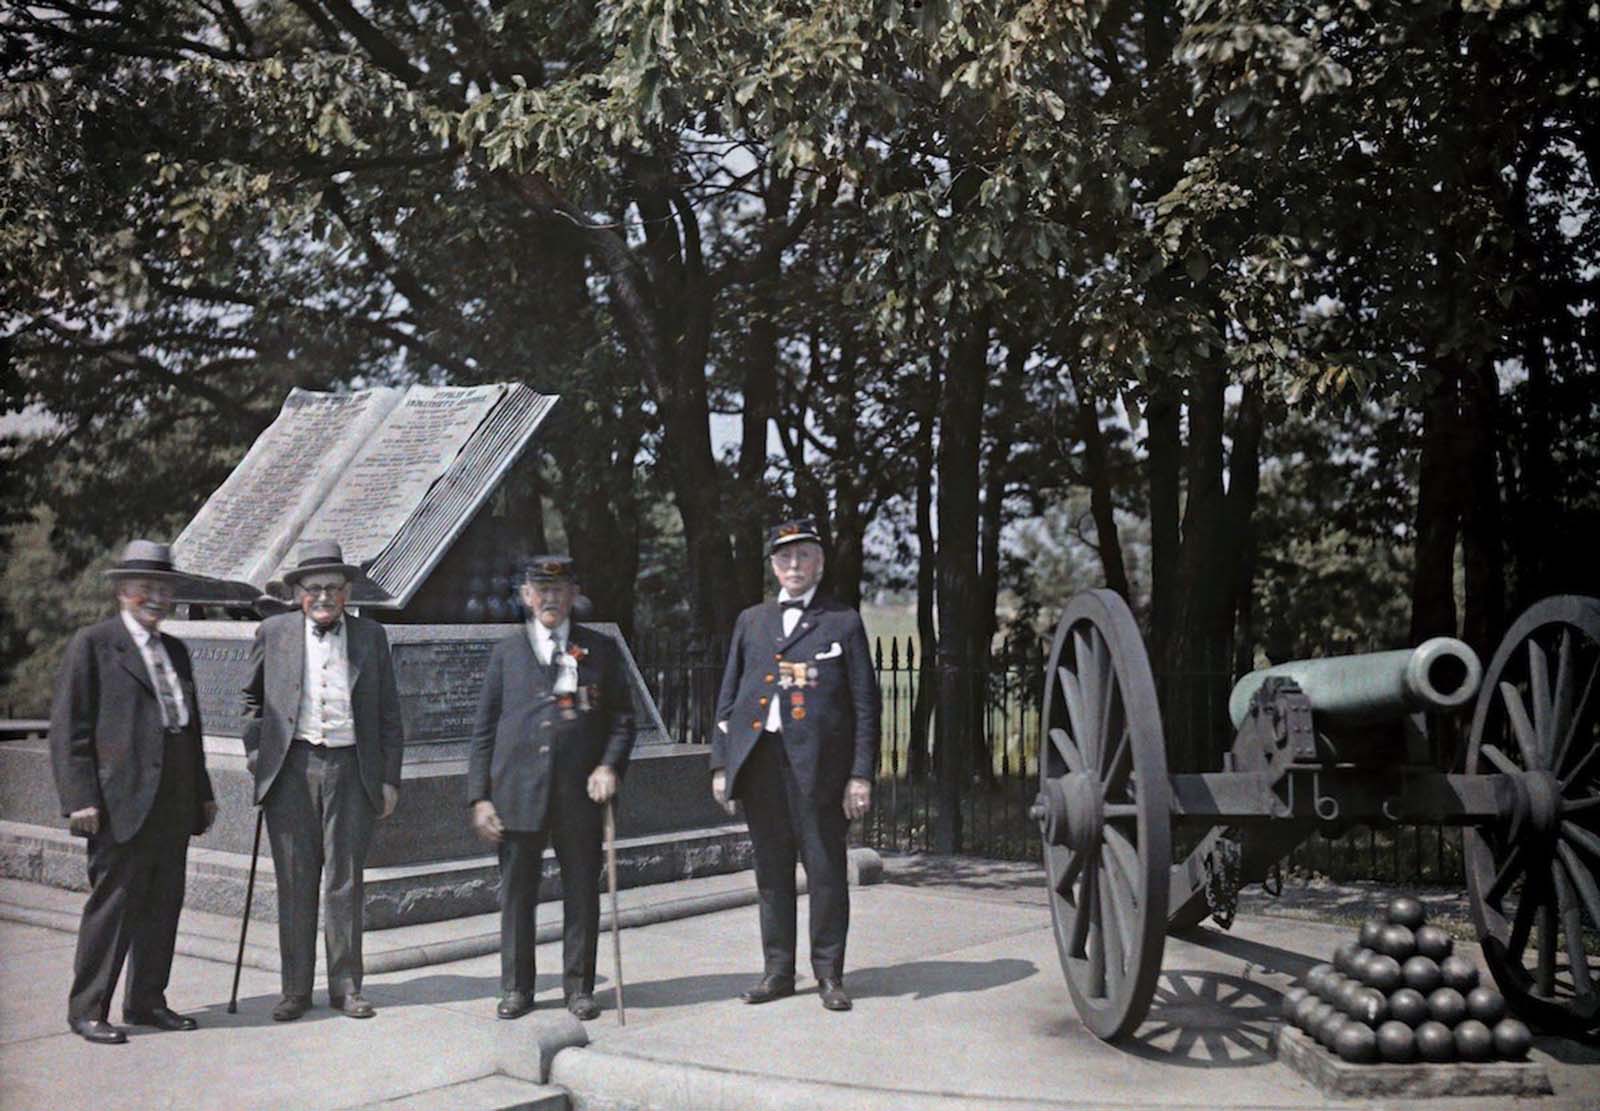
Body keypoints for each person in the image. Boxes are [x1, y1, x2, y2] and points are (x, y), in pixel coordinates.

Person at [49, 539, 218, 1044]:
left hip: (174, 799)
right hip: (119, 802)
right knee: (113, 907)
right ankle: (87, 1009)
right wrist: (80, 798)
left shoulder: (177, 651)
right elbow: (70, 730)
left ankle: (147, 1001)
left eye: (164, 588)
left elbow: (190, 728)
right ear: (123, 590)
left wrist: (203, 792)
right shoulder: (94, 644)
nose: (156, 597)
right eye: (146, 587)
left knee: (164, 904)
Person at [712, 517, 880, 1011]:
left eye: (803, 556)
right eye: (784, 557)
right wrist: (722, 765)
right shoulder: (752, 621)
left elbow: (866, 706)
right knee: (771, 871)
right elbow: (728, 701)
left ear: (820, 563)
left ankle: (829, 975)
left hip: (820, 771)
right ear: (773, 566)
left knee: (826, 870)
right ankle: (778, 972)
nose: (794, 565)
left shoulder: (842, 621)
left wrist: (860, 774)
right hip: (762, 763)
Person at [241, 540, 403, 1021]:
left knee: (344, 881)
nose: (325, 596)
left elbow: (390, 713)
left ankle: (347, 986)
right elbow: (250, 701)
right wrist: (256, 753)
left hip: (352, 770)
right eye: (314, 588)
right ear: (297, 593)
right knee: (294, 881)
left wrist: (389, 778)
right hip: (290, 771)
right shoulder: (273, 632)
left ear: (348, 590)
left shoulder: (371, 636)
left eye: (334, 587)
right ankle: (295, 990)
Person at [468, 555, 635, 1021]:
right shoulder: (507, 652)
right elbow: (484, 731)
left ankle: (580, 988)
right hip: (516, 796)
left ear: (572, 595)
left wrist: (609, 766)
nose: (550, 598)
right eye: (541, 590)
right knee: (517, 896)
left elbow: (622, 720)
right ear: (526, 596)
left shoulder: (600, 650)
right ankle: (517, 988)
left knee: (582, 892)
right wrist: (480, 796)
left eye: (559, 591)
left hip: (579, 797)